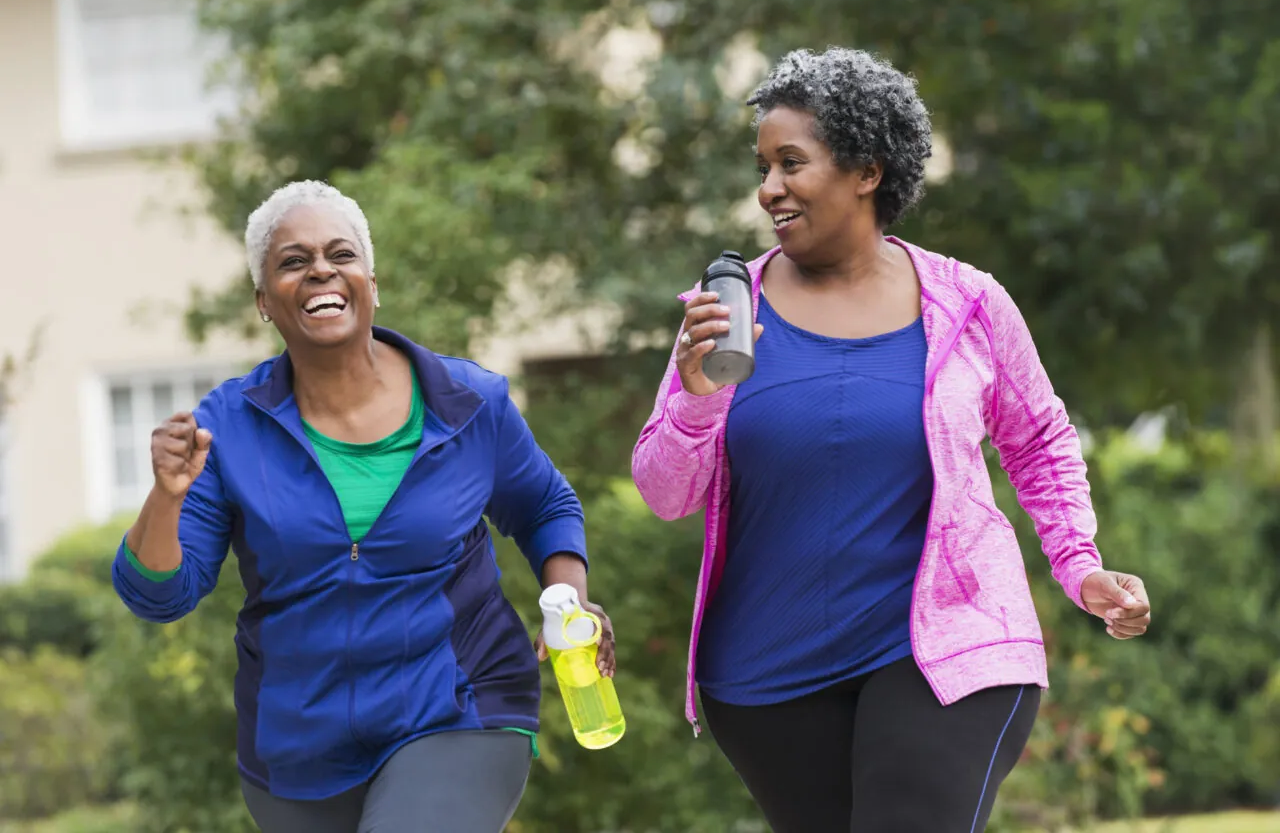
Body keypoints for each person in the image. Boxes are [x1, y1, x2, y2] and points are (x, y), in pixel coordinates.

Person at [631, 47, 1151, 832]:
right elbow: (665, 494)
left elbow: (1039, 439)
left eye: (791, 163)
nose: (768, 188)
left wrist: (1078, 561)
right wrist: (697, 397)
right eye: (764, 166)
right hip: (767, 678)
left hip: (946, 653)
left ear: (867, 172)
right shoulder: (726, 314)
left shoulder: (969, 305)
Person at [112, 180, 615, 833]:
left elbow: (545, 504)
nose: (321, 268)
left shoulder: (468, 403)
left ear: (370, 282)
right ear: (265, 301)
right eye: (293, 261)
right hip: (296, 750)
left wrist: (567, 598)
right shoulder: (228, 430)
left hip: (460, 709)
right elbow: (161, 595)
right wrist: (166, 497)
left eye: (340, 254)